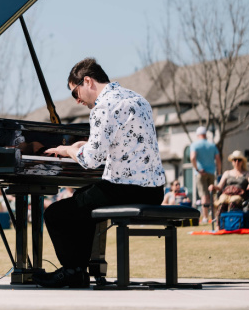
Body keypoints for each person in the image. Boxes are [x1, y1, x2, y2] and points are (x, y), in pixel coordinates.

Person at [36, 58, 165, 288]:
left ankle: (72, 271)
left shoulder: (103, 107)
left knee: (55, 213)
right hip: (154, 191)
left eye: (75, 92)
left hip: (125, 190)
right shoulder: (139, 99)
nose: (77, 100)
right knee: (81, 202)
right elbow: (120, 143)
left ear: (87, 81)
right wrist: (82, 146)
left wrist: (67, 150)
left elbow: (90, 160)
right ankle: (77, 270)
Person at [210, 150, 249, 229]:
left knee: (233, 202)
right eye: (234, 160)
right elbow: (219, 186)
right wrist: (213, 187)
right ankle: (218, 225)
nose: (236, 162)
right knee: (222, 203)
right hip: (226, 194)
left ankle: (231, 224)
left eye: (239, 160)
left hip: (239, 196)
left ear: (242, 161)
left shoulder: (246, 174)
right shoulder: (227, 173)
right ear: (232, 161)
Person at [189, 126, 221, 223]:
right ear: (205, 134)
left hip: (201, 173)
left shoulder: (195, 145)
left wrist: (197, 169)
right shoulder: (212, 145)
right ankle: (215, 216)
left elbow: (192, 158)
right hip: (211, 172)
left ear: (198, 135)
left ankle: (205, 217)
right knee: (212, 195)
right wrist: (218, 172)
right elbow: (218, 160)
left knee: (203, 195)